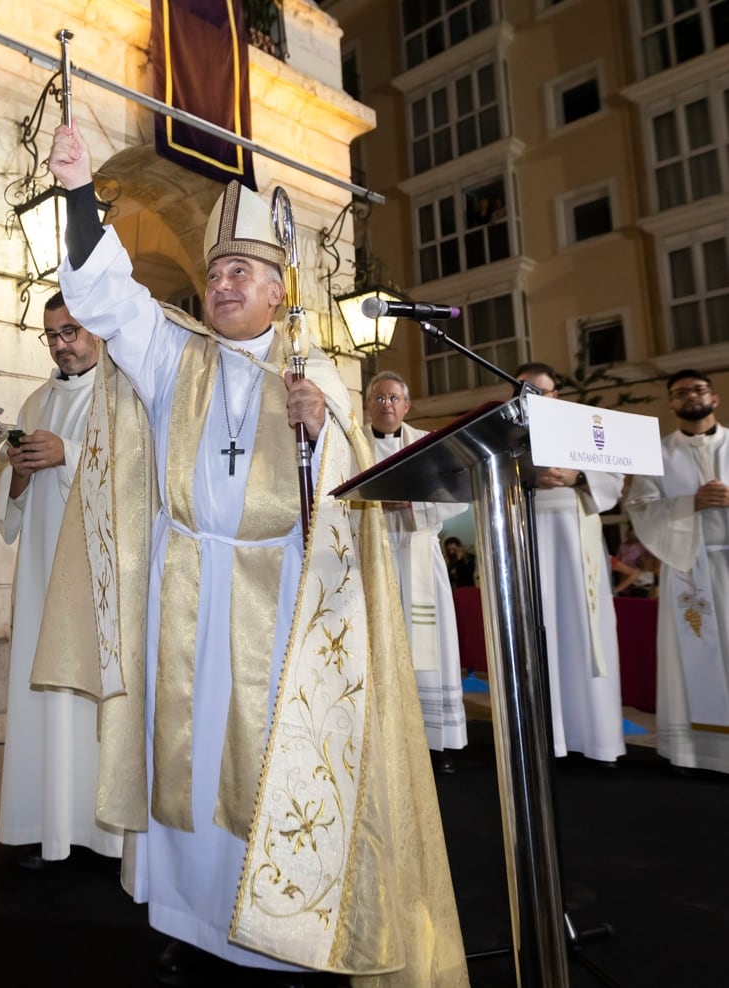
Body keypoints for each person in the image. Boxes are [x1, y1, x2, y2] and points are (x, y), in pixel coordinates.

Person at [30, 119, 467, 986]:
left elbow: (349, 495)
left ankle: (274, 920)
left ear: (277, 293)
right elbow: (109, 294)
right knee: (183, 758)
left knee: (263, 763)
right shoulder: (171, 357)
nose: (224, 284)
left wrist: (322, 433)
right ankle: (191, 918)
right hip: (184, 586)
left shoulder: (317, 378)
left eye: (243, 273)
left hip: (281, 604)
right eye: (217, 272)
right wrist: (79, 193)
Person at [0, 292, 123, 869]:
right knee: (43, 694)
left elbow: (138, 484)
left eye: (71, 331)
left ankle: (108, 833)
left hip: (98, 580)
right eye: (52, 335)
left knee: (94, 696)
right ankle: (48, 827)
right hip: (43, 574)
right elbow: (8, 508)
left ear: (95, 330)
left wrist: (68, 453)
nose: (62, 344)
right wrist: (17, 477)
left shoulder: (124, 397)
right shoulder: (35, 401)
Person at [516, 363, 626, 765]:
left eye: (541, 392)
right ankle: (550, 739)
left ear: (557, 395)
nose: (534, 399)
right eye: (525, 391)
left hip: (575, 535)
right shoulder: (509, 434)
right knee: (540, 636)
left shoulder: (585, 427)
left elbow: (613, 482)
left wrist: (577, 476)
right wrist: (529, 476)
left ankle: (598, 740)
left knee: (584, 630)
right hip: (530, 535)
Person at [626, 370, 729, 773]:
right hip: (687, 566)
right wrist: (691, 504)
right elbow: (640, 507)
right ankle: (696, 752)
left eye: (698, 390)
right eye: (681, 392)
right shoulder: (657, 454)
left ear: (715, 398)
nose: (691, 397)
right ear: (671, 403)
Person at [367, 371, 468, 773]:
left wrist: (409, 504)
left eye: (394, 398)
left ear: (407, 406)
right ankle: (381, 739)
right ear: (368, 404)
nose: (386, 404)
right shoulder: (350, 444)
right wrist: (375, 504)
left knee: (430, 647)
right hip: (372, 554)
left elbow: (458, 496)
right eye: (379, 397)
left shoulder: (429, 445)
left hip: (420, 552)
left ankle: (434, 742)